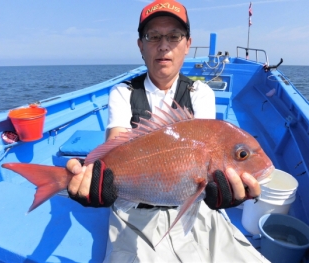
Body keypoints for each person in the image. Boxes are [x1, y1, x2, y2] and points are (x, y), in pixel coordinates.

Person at [67, 1, 269, 262]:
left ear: (187, 44)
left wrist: (217, 193)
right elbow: (116, 145)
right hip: (133, 212)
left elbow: (205, 151)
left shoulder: (201, 93)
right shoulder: (123, 92)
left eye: (174, 36)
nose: (164, 45)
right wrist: (93, 175)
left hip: (193, 208)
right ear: (141, 45)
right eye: (153, 36)